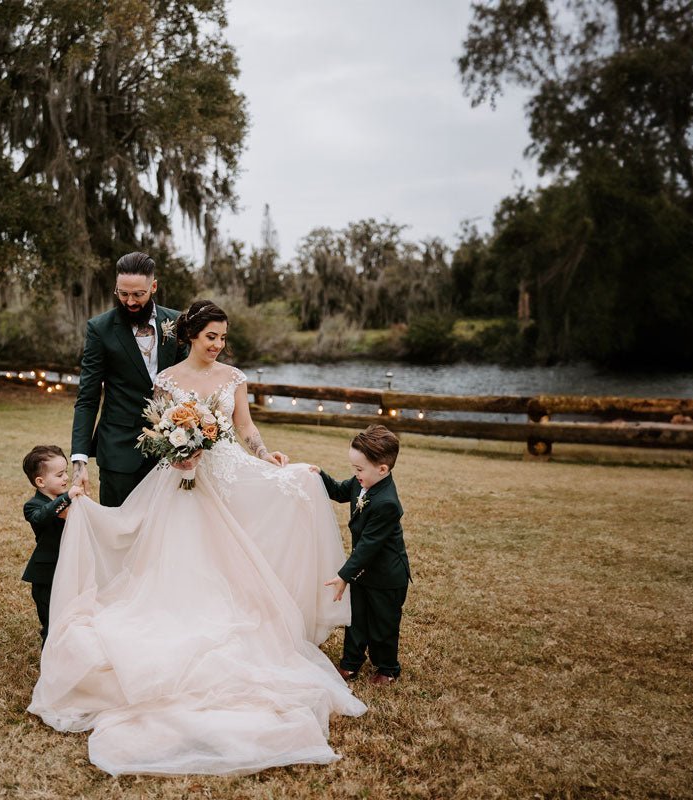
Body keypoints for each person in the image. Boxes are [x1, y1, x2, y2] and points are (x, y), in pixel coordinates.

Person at [29, 300, 366, 777]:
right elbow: (158, 429)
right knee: (179, 559)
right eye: (211, 336)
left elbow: (245, 427)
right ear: (191, 335)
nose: (218, 345)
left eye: (223, 337)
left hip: (229, 472)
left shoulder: (234, 377)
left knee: (295, 487)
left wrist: (266, 454)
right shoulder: (167, 379)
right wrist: (178, 453)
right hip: (180, 481)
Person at [70, 252, 186, 506]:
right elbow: (87, 397)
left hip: (171, 450)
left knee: (162, 530)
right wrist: (79, 459)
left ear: (153, 286)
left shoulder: (178, 323)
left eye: (138, 294)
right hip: (118, 450)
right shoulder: (99, 329)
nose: (130, 301)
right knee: (117, 533)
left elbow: (190, 381)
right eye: (123, 294)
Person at [313, 425, 411, 685]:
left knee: (383, 625)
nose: (355, 474)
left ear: (382, 469)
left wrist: (344, 575)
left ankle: (388, 668)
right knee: (355, 618)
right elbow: (337, 490)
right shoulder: (362, 484)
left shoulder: (387, 502)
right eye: (353, 468)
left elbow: (369, 545)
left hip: (386, 577)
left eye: (359, 469)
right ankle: (350, 663)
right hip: (362, 571)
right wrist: (317, 475)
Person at [21, 445, 84, 644]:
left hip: (69, 569)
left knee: (68, 613)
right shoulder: (33, 506)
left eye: (65, 472)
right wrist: (67, 497)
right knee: (50, 618)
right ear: (40, 482)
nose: (66, 478)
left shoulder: (65, 500)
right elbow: (42, 516)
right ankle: (50, 655)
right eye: (59, 475)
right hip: (46, 575)